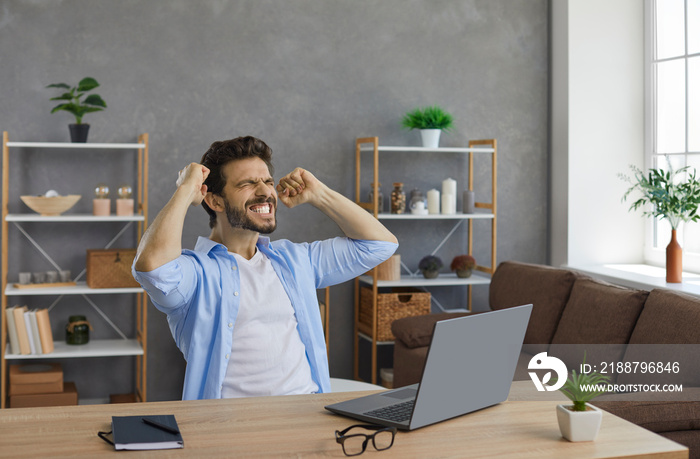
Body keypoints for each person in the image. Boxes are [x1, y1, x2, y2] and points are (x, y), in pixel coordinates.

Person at [132, 136, 398, 400]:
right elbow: (152, 268)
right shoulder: (196, 274)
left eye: (268, 181)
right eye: (248, 183)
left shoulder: (295, 260)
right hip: (233, 428)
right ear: (215, 202)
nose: (265, 192)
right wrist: (185, 191)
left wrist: (320, 195)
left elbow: (380, 244)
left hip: (307, 415)